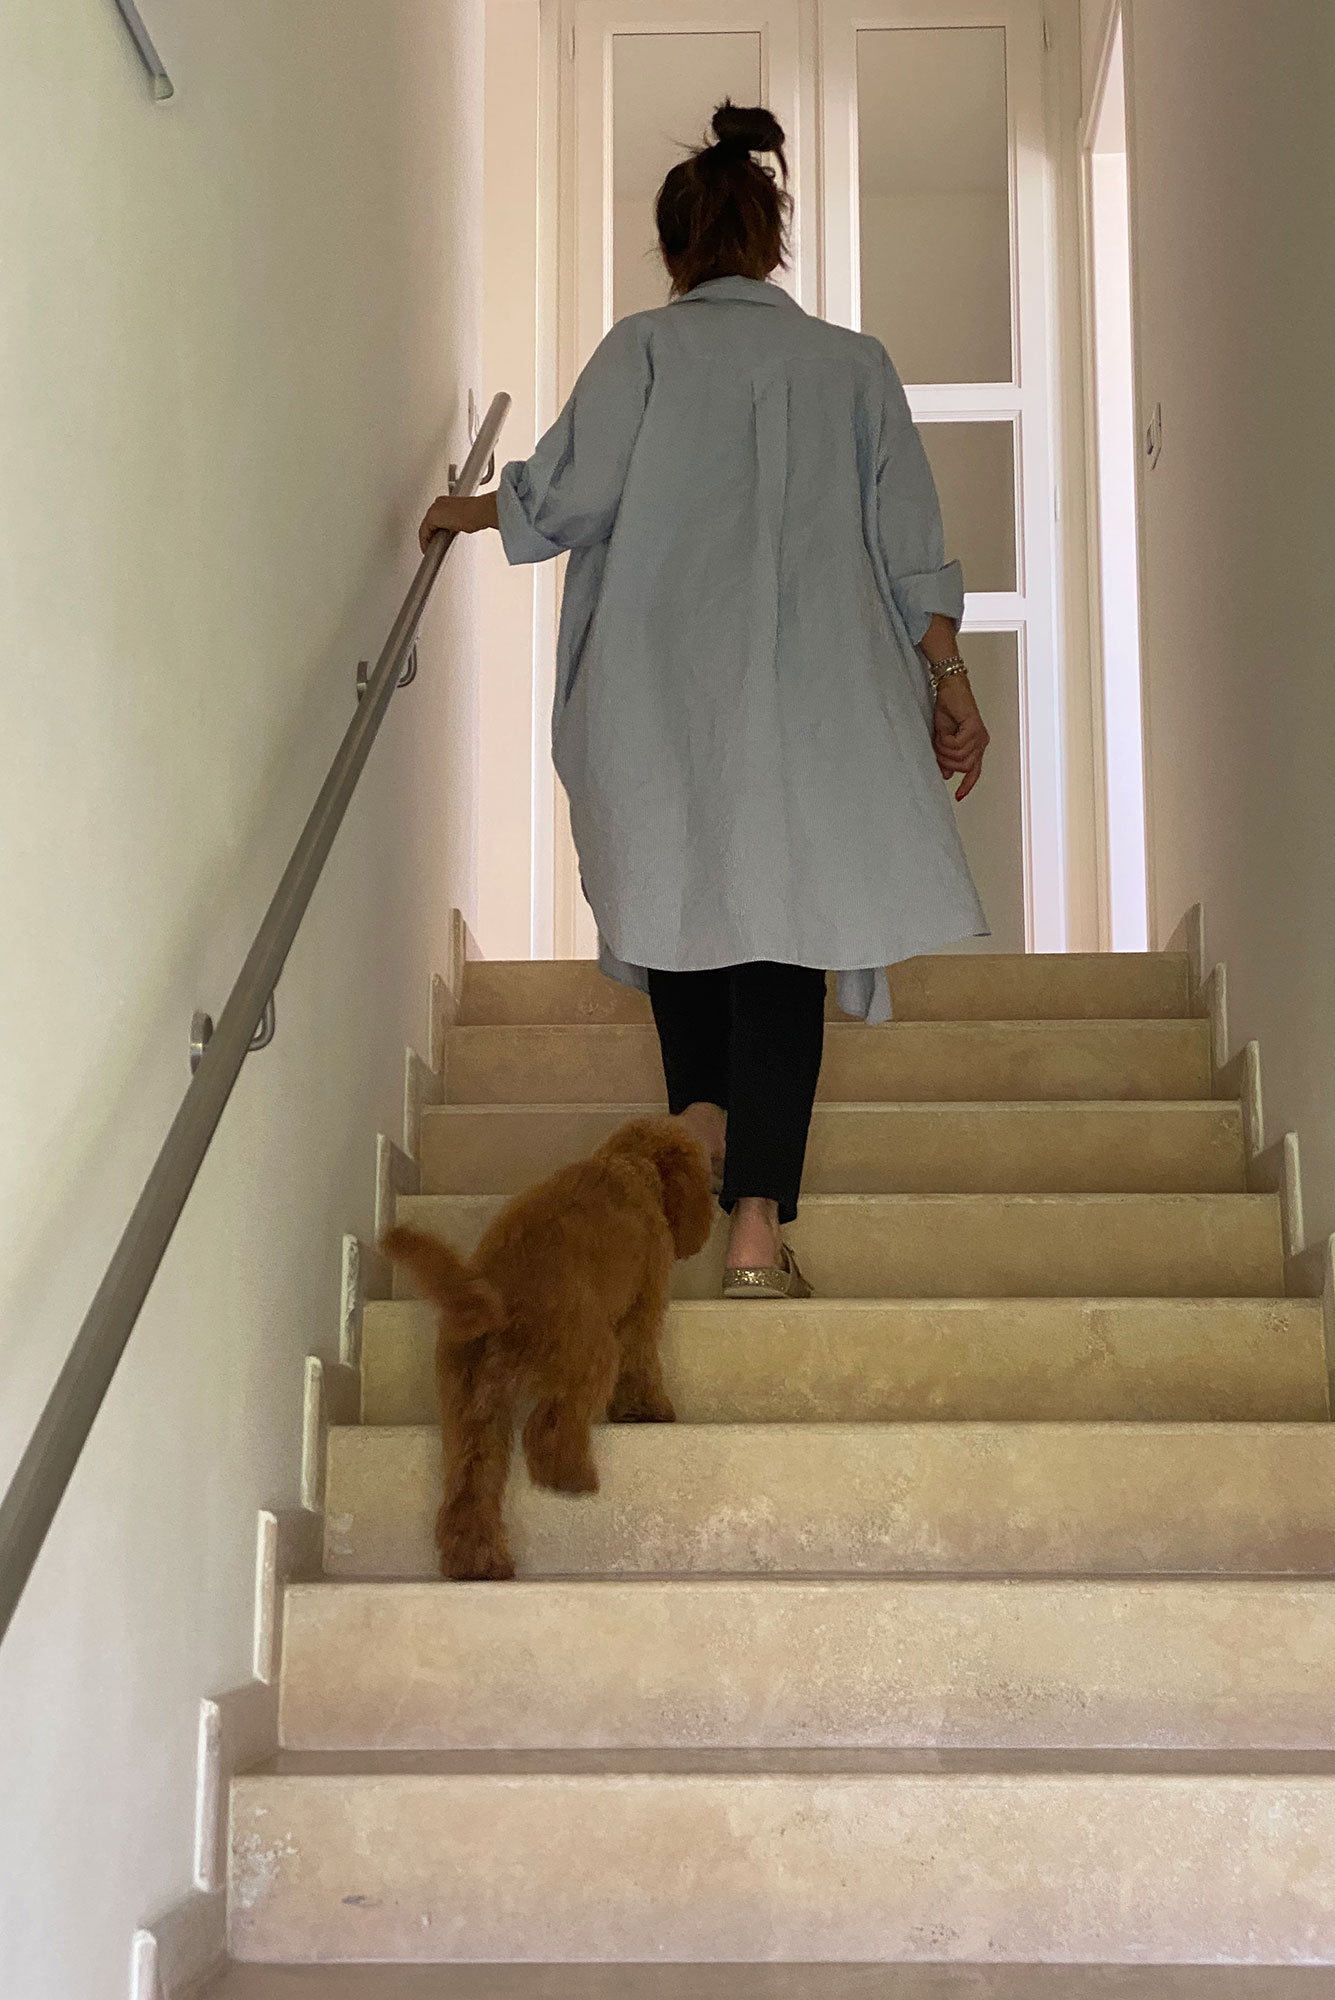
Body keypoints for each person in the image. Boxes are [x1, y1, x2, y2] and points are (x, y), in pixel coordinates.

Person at [419, 100, 989, 1302]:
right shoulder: (853, 366)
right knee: (786, 932)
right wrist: (950, 682)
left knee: (681, 894)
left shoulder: (643, 351)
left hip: (662, 690)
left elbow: (565, 496)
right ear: (773, 240)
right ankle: (755, 1231)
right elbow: (910, 546)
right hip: (816, 703)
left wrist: (463, 511)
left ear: (676, 248)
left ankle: (700, 1124)